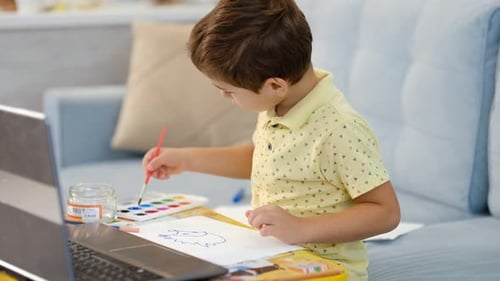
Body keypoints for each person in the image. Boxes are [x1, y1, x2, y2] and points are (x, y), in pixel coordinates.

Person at [142, 0, 400, 280]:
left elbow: (385, 212)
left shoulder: (340, 130)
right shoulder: (278, 105)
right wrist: (187, 159)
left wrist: (301, 228)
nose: (223, 97)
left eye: (228, 91)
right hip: (270, 254)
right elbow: (263, 161)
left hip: (322, 267)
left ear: (275, 85)